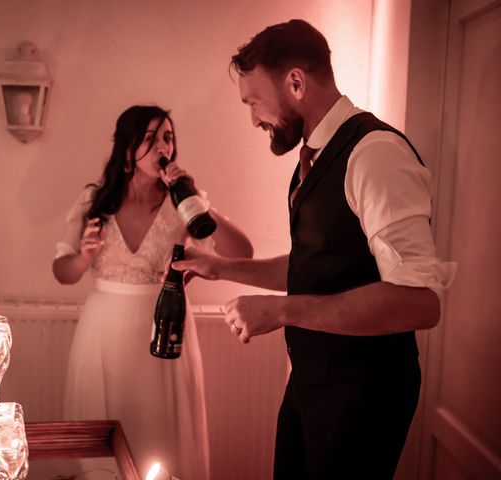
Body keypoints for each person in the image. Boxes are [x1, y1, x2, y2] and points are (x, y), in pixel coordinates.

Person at [172, 20, 456, 480]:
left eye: (254, 101)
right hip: (310, 384)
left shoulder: (375, 155)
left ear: (297, 82)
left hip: (362, 396)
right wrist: (222, 267)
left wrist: (280, 313)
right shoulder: (313, 157)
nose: (254, 119)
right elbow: (316, 266)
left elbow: (419, 302)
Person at [53, 104, 253, 480]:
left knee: (160, 435)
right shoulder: (95, 200)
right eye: (151, 138)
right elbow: (62, 271)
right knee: (103, 440)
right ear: (127, 149)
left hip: (164, 329)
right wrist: (84, 257)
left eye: (168, 137)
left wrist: (194, 197)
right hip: (102, 333)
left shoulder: (184, 204)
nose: (163, 147)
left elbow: (242, 253)